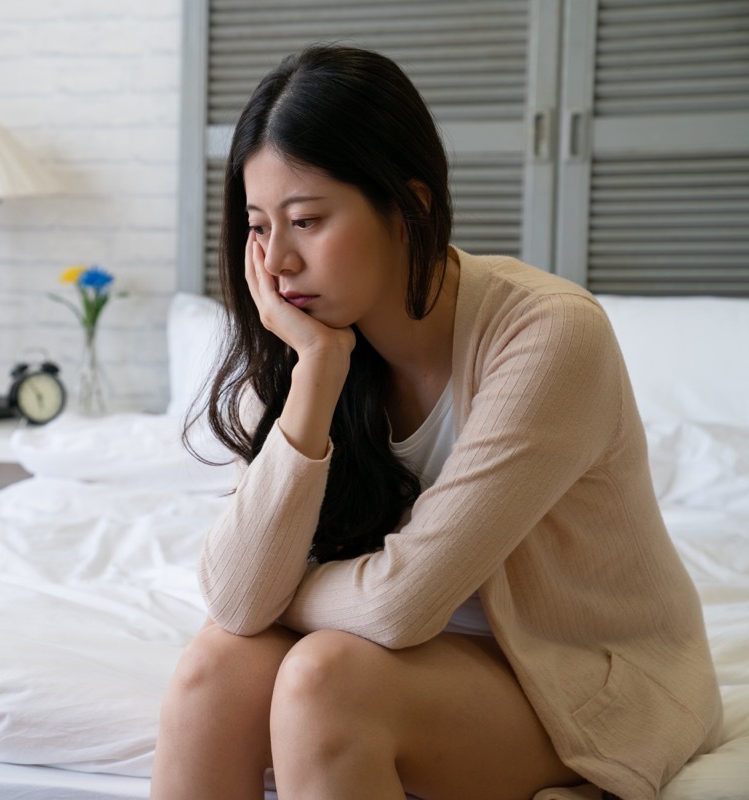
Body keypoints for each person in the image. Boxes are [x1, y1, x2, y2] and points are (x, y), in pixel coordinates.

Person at [150, 45, 722, 800]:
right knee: (212, 670)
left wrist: (293, 590)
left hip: (582, 675)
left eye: (308, 220)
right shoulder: (301, 340)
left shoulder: (550, 335)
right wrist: (317, 374)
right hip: (417, 659)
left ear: (409, 205)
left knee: (323, 682)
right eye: (259, 225)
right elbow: (235, 603)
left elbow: (396, 602)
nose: (278, 260)